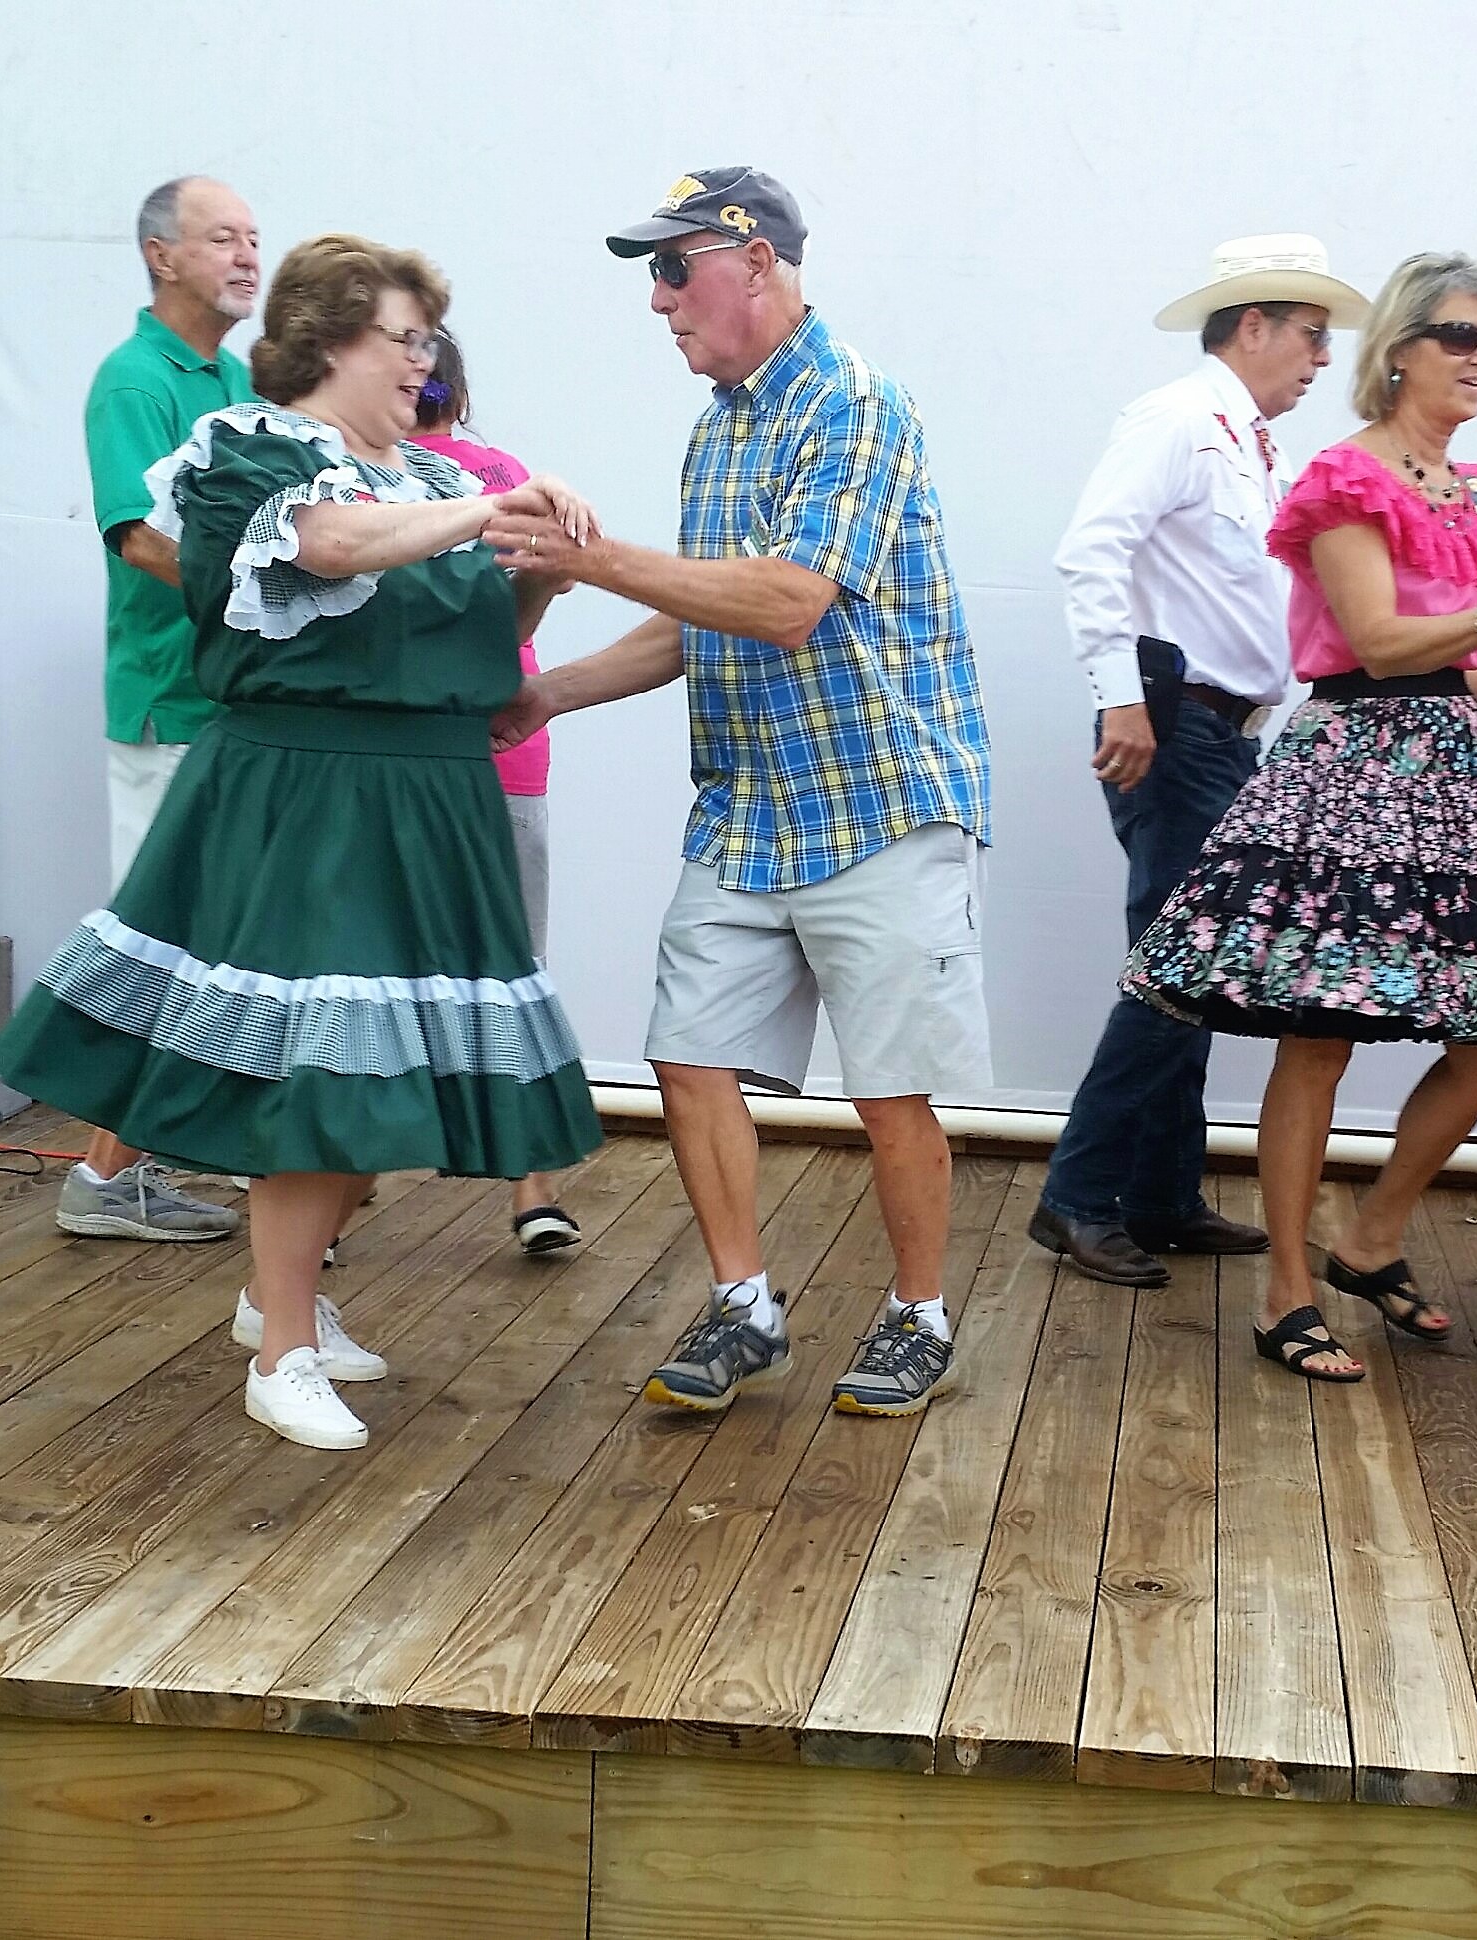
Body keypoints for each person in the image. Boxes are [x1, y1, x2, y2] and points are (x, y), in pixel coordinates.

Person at [0, 234, 606, 1452]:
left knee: (361, 1068)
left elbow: (484, 635)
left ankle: (285, 1308)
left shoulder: (429, 475)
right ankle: (279, 1346)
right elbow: (325, 546)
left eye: (430, 343)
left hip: (428, 788)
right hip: (309, 784)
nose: (423, 366)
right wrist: (488, 508)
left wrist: (541, 565)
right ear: (329, 339)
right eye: (406, 340)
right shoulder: (252, 449)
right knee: (313, 1069)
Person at [487, 167, 991, 1421]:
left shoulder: (856, 405)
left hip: (879, 798)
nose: (655, 301)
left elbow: (785, 602)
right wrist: (549, 693)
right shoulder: (716, 428)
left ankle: (918, 1312)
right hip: (750, 805)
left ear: (752, 259)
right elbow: (697, 622)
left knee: (888, 1086)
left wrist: (587, 558)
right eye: (648, 276)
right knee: (685, 1052)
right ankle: (743, 1302)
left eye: (672, 270)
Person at [1122, 252, 1477, 1381]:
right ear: (1399, 345)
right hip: (1352, 762)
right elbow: (1373, 643)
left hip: (1453, 770)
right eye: (1458, 333)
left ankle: (1369, 1233)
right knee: (1320, 1034)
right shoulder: (1345, 478)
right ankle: (1284, 1290)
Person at [1028, 235, 1369, 1288]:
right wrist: (1123, 700)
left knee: (1193, 963)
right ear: (1253, 324)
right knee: (1180, 965)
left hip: (1219, 733)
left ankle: (1159, 1195)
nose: (1321, 357)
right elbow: (1091, 551)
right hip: (1177, 725)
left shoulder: (1248, 443)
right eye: (1310, 334)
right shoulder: (1179, 421)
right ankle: (1081, 1197)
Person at [59, 176, 261, 1246]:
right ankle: (100, 1176)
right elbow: (137, 533)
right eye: (221, 237)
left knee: (206, 935)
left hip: (226, 703)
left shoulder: (236, 377)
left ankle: (136, 1157)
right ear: (160, 255)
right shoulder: (134, 379)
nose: (245, 254)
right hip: (168, 705)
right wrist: (267, 590)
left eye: (253, 238)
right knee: (164, 941)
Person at [408, 328, 583, 1255]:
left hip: (452, 753)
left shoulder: (472, 474)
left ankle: (335, 1203)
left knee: (392, 977)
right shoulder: (491, 474)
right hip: (460, 753)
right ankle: (533, 1192)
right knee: (494, 972)